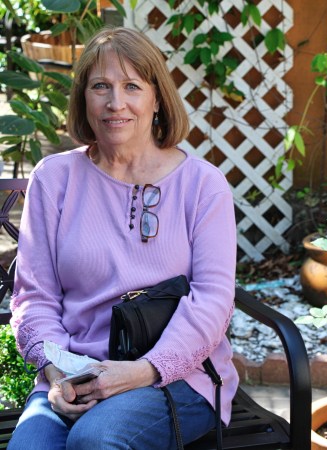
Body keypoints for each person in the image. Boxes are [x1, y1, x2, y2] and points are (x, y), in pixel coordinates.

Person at [8, 26, 238, 450]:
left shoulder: (203, 185)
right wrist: (56, 374)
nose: (116, 102)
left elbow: (213, 301)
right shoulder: (54, 178)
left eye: (132, 86)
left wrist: (143, 371)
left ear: (157, 99)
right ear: (83, 98)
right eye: (101, 86)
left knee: (96, 439)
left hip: (175, 377)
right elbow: (34, 297)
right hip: (74, 375)